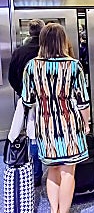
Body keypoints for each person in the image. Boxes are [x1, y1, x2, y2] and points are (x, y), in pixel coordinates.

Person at [21, 23, 91, 212]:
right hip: (70, 126)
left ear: (42, 41)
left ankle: (54, 209)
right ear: (62, 41)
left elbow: (27, 100)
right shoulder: (73, 66)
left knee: (52, 170)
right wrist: (86, 124)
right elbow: (83, 101)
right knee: (68, 171)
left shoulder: (32, 66)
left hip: (45, 126)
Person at [8, 19, 45, 187]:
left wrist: (22, 92)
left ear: (29, 32)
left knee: (33, 136)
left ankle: (36, 175)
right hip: (49, 102)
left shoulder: (19, 52)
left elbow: (11, 77)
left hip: (29, 102)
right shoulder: (48, 51)